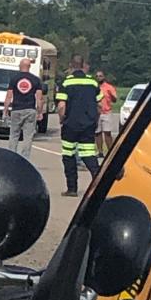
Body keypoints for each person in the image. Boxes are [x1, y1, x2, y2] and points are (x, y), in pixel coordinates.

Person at [56, 56, 100, 197]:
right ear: (82, 66)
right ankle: (98, 181)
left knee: (68, 155)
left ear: (71, 66)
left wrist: (62, 119)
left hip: (71, 124)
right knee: (88, 154)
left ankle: (72, 188)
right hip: (88, 124)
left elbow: (62, 105)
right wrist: (95, 120)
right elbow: (99, 105)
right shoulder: (92, 82)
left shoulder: (67, 82)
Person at [3, 57, 44, 158]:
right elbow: (39, 98)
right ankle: (25, 159)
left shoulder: (14, 79)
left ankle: (11, 156)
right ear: (29, 67)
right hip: (30, 110)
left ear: (20, 66)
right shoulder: (36, 80)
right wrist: (40, 112)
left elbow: (9, 96)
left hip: (16, 109)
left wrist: (5, 110)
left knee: (14, 135)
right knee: (28, 137)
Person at [95, 69, 118, 157]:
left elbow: (115, 99)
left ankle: (110, 152)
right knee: (97, 133)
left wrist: (111, 95)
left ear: (103, 77)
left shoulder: (109, 87)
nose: (98, 77)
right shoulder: (94, 87)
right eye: (97, 76)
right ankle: (100, 152)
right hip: (97, 113)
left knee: (107, 133)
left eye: (100, 76)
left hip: (106, 112)